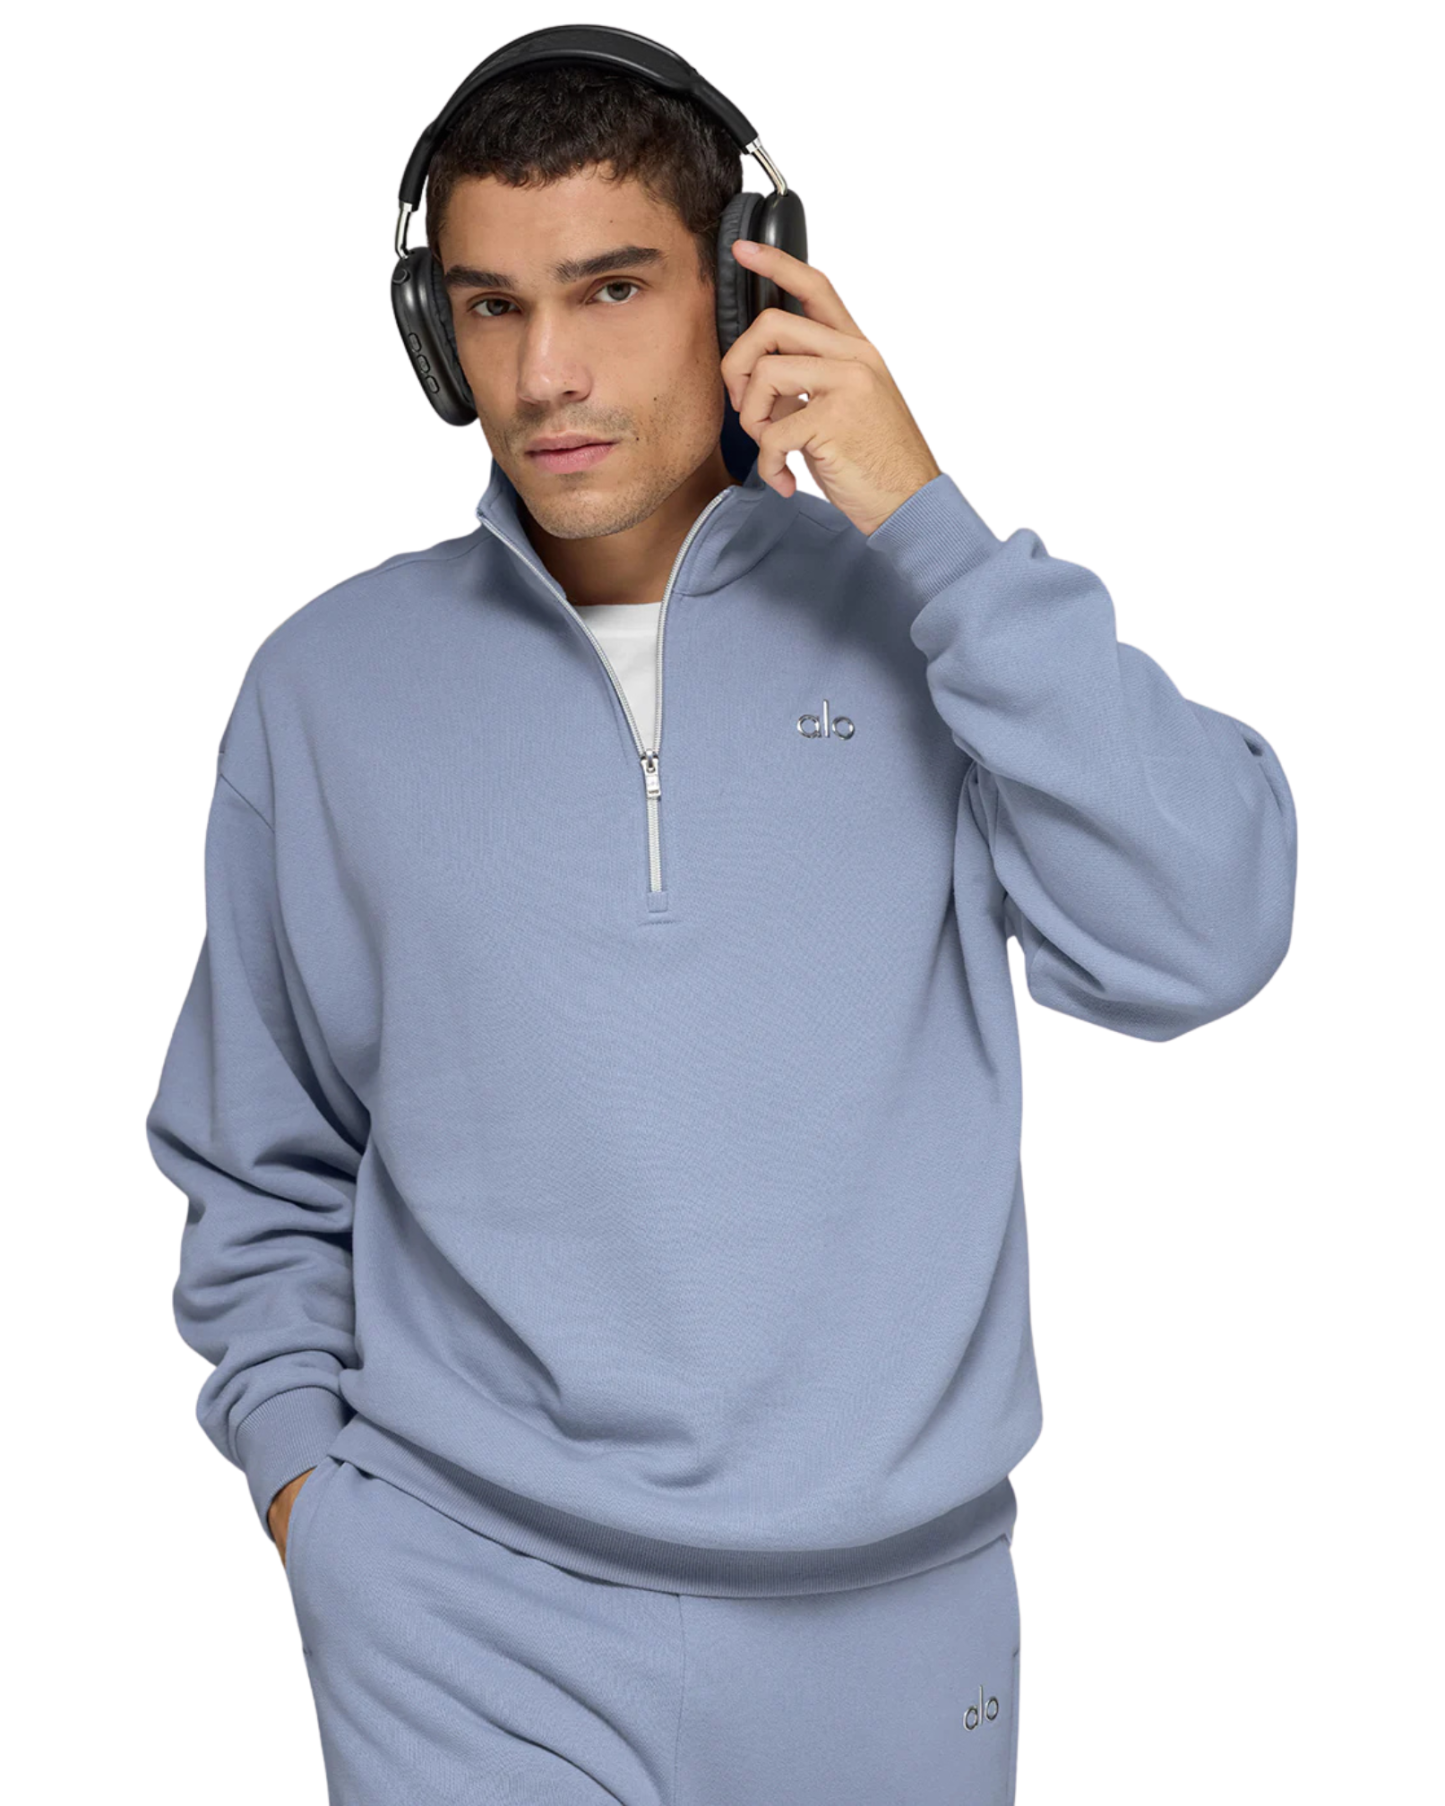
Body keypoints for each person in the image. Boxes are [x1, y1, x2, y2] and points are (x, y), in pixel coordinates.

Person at [145, 36, 1298, 1806]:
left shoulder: (935, 631)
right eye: (491, 307)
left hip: (893, 1635)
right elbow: (262, 1153)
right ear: (434, 331)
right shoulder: (328, 688)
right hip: (461, 1622)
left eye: (612, 289)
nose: (546, 372)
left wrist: (929, 526)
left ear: (746, 290)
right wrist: (313, 1496)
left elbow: (1207, 926)